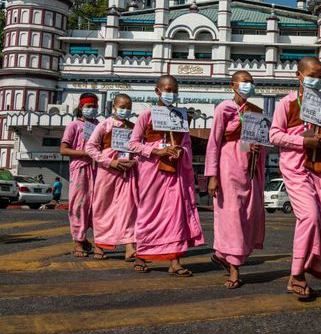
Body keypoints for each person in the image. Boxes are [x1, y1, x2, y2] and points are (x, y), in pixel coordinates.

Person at [269, 56, 321, 300]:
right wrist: (303, 141)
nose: (316, 80)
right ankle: (297, 273)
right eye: (311, 75)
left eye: (320, 76)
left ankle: (300, 273)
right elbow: (274, 136)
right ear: (298, 76)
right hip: (295, 167)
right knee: (309, 216)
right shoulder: (286, 104)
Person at [127, 75, 204, 277]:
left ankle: (175, 261)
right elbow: (133, 144)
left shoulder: (181, 116)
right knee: (149, 212)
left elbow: (186, 144)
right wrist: (156, 151)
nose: (171, 93)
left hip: (174, 172)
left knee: (174, 214)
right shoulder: (146, 115)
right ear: (157, 91)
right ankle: (141, 254)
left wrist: (181, 152)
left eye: (174, 90)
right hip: (152, 171)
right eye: (167, 89)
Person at [205, 70, 267, 289]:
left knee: (249, 215)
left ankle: (223, 255)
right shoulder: (224, 108)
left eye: (251, 82)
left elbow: (262, 139)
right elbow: (214, 143)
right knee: (231, 217)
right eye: (244, 82)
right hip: (228, 167)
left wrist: (260, 148)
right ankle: (234, 269)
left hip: (250, 169)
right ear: (233, 85)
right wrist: (212, 176)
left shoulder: (255, 111)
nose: (248, 85)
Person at [84, 94, 146, 270]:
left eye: (128, 107)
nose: (125, 110)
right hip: (107, 172)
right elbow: (90, 147)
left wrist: (135, 161)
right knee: (103, 207)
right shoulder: (105, 125)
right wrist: (110, 162)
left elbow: (137, 150)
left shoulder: (134, 128)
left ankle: (129, 246)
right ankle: (100, 244)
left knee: (129, 209)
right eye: (122, 106)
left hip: (127, 172)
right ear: (114, 107)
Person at [59, 93, 100, 258]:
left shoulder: (100, 125)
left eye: (95, 106)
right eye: (89, 106)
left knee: (97, 207)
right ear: (81, 107)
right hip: (80, 169)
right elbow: (63, 149)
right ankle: (78, 241)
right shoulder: (73, 126)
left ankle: (96, 243)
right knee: (79, 205)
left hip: (98, 169)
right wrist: (85, 153)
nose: (92, 109)